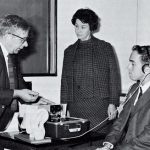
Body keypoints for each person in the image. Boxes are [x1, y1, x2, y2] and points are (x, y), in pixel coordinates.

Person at [60, 8, 121, 139]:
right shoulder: (69, 51)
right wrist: (63, 107)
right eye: (76, 26)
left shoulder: (105, 48)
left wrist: (113, 103)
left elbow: (114, 78)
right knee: (78, 140)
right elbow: (64, 81)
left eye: (83, 26)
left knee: (99, 139)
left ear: (91, 27)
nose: (78, 30)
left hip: (99, 105)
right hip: (76, 105)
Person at [0, 14, 51, 131]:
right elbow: (16, 91)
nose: (26, 44)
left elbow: (17, 83)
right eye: (23, 39)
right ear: (8, 36)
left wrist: (36, 101)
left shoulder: (12, 56)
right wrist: (17, 93)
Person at [96, 45, 150, 150]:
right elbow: (120, 121)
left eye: (133, 64)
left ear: (147, 69)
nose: (128, 67)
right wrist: (108, 145)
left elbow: (147, 138)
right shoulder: (133, 89)